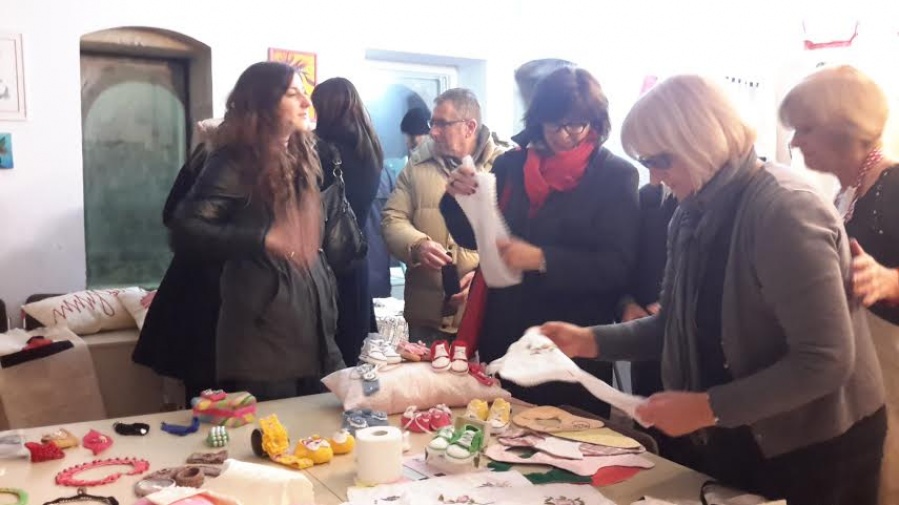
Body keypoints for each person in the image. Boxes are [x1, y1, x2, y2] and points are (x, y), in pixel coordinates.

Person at [541, 74, 886, 505]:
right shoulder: (691, 212)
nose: (654, 177)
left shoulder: (784, 210)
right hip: (740, 432)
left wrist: (707, 407)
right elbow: (673, 325)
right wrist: (588, 341)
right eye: (646, 162)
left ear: (699, 140)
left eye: (660, 160)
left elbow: (825, 360)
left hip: (813, 448)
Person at [140, 62, 344, 402]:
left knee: (324, 427)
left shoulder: (303, 156)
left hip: (314, 330)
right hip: (264, 341)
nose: (306, 102)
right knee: (270, 432)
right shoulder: (234, 162)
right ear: (264, 103)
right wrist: (263, 239)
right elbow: (186, 229)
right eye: (293, 94)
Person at [442, 67, 640, 415]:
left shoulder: (615, 175)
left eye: (576, 125)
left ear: (594, 122)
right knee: (501, 431)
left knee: (570, 434)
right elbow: (477, 236)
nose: (565, 135)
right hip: (506, 331)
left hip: (571, 338)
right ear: (539, 120)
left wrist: (543, 258)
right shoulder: (511, 165)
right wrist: (458, 197)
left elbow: (616, 265)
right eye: (554, 124)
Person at [779, 64, 899, 505]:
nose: (794, 142)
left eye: (805, 129)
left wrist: (890, 281)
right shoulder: (847, 192)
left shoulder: (895, 185)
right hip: (861, 365)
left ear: (845, 126)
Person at [382, 88, 506, 344]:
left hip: (482, 315)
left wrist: (482, 277)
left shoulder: (504, 166)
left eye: (442, 124)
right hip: (426, 317)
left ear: (469, 127)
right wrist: (417, 244)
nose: (433, 132)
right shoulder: (417, 164)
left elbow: (519, 238)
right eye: (433, 123)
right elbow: (392, 218)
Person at [311, 77, 384, 366]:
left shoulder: (322, 152)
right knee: (355, 351)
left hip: (326, 261)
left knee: (329, 355)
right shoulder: (371, 149)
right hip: (356, 255)